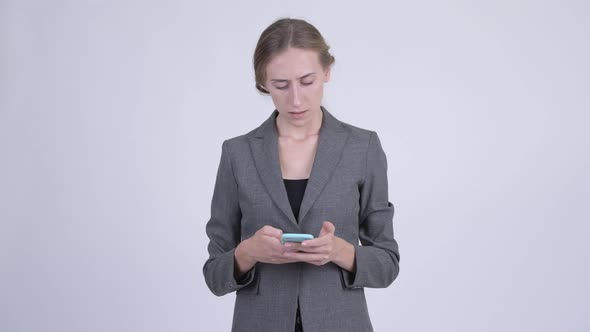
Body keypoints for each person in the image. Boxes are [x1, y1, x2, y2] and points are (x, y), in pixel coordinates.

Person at [203, 18, 400, 332]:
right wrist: (248, 252)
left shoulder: (362, 147)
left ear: (327, 72)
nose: (295, 99)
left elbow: (387, 265)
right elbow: (215, 275)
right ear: (263, 82)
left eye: (307, 81)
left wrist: (339, 250)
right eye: (281, 85)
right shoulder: (237, 154)